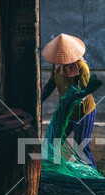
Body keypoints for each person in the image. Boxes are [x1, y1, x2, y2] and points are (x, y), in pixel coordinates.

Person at [41, 33, 97, 168]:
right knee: (53, 143)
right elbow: (50, 85)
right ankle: (54, 171)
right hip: (64, 112)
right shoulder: (56, 67)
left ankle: (92, 177)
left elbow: (86, 93)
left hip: (82, 112)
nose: (61, 60)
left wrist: (74, 98)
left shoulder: (82, 67)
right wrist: (38, 100)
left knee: (80, 148)